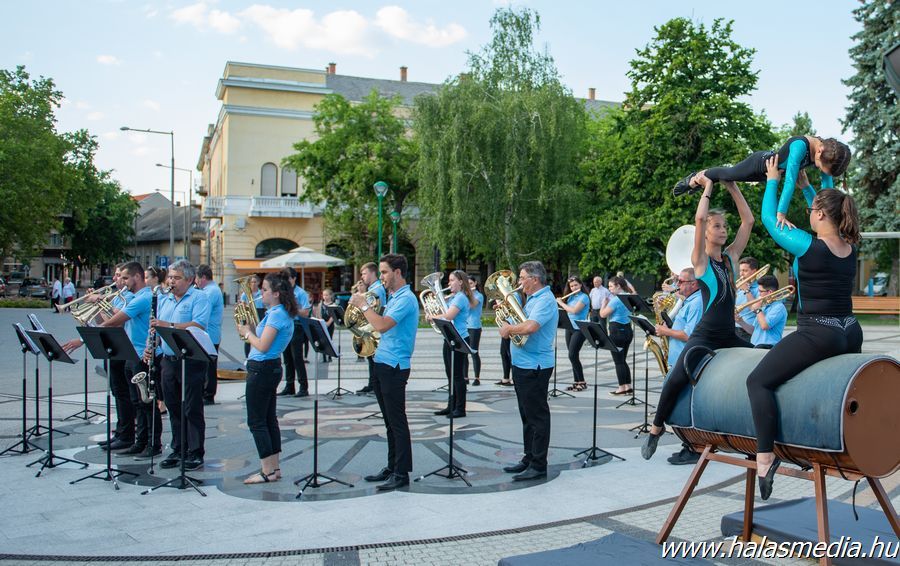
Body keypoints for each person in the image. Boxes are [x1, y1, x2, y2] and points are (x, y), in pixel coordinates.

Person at [747, 158, 863, 500]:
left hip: (819, 334)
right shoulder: (848, 247)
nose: (808, 211)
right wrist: (807, 189)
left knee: (758, 381)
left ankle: (765, 457)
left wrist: (771, 180)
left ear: (821, 215)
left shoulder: (809, 246)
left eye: (812, 208)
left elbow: (770, 220)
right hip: (850, 331)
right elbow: (831, 209)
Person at [642, 174, 755, 461]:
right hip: (705, 334)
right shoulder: (701, 261)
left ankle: (755, 436)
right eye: (717, 226)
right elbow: (700, 219)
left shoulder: (730, 257)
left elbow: (749, 221)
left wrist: (732, 185)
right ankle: (656, 429)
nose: (723, 230)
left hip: (728, 334)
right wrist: (707, 187)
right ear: (705, 233)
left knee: (760, 363)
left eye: (724, 226)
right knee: (676, 377)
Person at [674, 136, 852, 228]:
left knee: (727, 177)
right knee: (729, 174)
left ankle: (699, 182)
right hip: (760, 164)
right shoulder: (800, 146)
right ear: (819, 151)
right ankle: (695, 178)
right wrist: (781, 215)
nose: (820, 170)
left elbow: (827, 193)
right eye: (820, 167)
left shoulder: (828, 155)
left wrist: (830, 219)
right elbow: (789, 183)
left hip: (772, 173)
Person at [350, 254, 418, 492]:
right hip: (382, 361)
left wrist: (364, 305)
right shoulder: (393, 296)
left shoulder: (406, 299)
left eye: (385, 272)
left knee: (397, 421)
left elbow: (381, 325)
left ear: (398, 273)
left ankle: (402, 472)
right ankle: (392, 466)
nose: (382, 277)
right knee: (389, 421)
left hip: (395, 366)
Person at [499, 261, 558, 482]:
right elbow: (522, 322)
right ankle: (529, 457)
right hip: (523, 364)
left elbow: (531, 327)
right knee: (527, 415)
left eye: (522, 277)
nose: (519, 282)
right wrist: (506, 316)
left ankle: (539, 465)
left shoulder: (545, 300)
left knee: (537, 417)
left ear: (534, 279)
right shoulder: (532, 299)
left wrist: (508, 328)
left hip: (535, 366)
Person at [237, 273, 298, 484]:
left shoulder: (277, 315)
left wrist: (246, 333)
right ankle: (274, 468)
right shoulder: (277, 312)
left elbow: (262, 345)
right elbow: (262, 337)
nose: (260, 293)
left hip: (261, 368)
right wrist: (248, 324)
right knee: (269, 419)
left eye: (263, 290)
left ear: (276, 293)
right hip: (268, 367)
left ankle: (267, 471)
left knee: (257, 421)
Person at [154, 260, 211, 471]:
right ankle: (178, 448)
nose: (171, 281)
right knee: (173, 407)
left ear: (188, 279)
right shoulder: (165, 298)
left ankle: (195, 452)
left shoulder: (199, 297)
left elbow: (198, 325)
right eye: (170, 277)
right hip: (169, 359)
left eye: (176, 278)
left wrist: (168, 325)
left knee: (192, 407)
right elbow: (158, 327)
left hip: (191, 360)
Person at [653, 268, 703, 466]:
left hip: (686, 360)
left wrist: (666, 330)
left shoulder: (697, 302)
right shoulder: (688, 300)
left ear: (694, 283)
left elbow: (690, 335)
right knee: (678, 403)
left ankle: (694, 446)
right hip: (677, 357)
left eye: (681, 281)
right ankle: (688, 445)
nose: (678, 285)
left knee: (683, 404)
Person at [428, 270, 474, 418]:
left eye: (452, 280)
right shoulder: (454, 297)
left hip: (459, 338)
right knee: (450, 375)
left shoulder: (460, 298)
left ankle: (460, 408)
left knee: (457, 375)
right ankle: (451, 405)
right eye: (448, 281)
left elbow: (448, 316)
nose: (448, 284)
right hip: (449, 338)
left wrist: (432, 316)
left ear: (460, 282)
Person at [277, 267, 311, 397]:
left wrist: (293, 307)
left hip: (297, 326)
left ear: (294, 279)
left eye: (288, 279)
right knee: (287, 358)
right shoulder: (283, 292)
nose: (286, 281)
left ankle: (303, 387)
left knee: (297, 358)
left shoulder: (300, 293)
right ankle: (289, 385)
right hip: (285, 325)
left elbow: (306, 313)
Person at [599, 276, 635, 395]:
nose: (609, 289)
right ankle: (628, 386)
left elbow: (603, 314)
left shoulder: (616, 299)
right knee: (623, 360)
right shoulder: (628, 297)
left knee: (618, 361)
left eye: (611, 286)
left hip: (616, 331)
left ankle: (621, 387)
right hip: (627, 330)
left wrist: (604, 304)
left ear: (618, 286)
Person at [356, 262, 388, 393]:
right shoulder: (373, 289)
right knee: (371, 359)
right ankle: (372, 385)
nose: (362, 277)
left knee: (373, 360)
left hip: (374, 329)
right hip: (372, 328)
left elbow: (374, 310)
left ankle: (375, 386)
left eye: (364, 273)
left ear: (372, 273)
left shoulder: (376, 290)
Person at [196, 264, 224, 405]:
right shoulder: (209, 290)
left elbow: (202, 311)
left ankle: (208, 395)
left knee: (209, 367)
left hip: (210, 335)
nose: (196, 281)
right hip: (209, 334)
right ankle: (206, 393)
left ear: (203, 278)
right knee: (206, 366)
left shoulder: (210, 291)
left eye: (197, 278)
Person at [557, 276, 590, 391]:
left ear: (580, 285)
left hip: (580, 329)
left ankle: (582, 381)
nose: (573, 287)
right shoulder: (571, 297)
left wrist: (561, 303)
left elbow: (574, 311)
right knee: (573, 356)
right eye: (571, 286)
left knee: (572, 355)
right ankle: (577, 382)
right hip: (569, 328)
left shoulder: (584, 297)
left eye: (576, 285)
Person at [735, 275, 788, 347]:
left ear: (769, 292)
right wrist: (741, 322)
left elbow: (764, 326)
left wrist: (758, 310)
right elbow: (754, 331)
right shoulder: (763, 306)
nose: (759, 294)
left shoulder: (779, 307)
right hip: (756, 346)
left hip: (768, 347)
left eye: (760, 291)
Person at [734, 257, 761, 342]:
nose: (741, 274)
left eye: (745, 271)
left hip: (747, 331)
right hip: (733, 328)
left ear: (754, 271)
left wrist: (746, 290)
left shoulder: (759, 289)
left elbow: (754, 309)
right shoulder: (737, 287)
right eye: (740, 270)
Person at [464, 278, 484, 386]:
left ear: (475, 283)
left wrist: (467, 294)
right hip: (464, 326)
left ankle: (477, 378)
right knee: (464, 352)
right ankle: (465, 377)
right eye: (467, 284)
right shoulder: (464, 295)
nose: (469, 285)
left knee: (474, 352)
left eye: (471, 283)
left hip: (474, 326)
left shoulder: (478, 295)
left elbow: (471, 306)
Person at [239, 275, 264, 358]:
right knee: (248, 338)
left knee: (259, 336)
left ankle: (257, 355)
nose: (253, 284)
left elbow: (265, 306)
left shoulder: (262, 294)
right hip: (249, 316)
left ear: (258, 283)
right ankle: (247, 357)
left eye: (254, 282)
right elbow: (242, 306)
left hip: (259, 314)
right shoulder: (245, 294)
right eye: (251, 282)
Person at [314, 288, 336, 362]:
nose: (325, 297)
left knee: (329, 340)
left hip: (330, 325)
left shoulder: (333, 304)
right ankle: (324, 356)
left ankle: (330, 355)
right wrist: (322, 322)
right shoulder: (320, 304)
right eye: (324, 295)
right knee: (323, 340)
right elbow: (318, 314)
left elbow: (333, 315)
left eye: (327, 295)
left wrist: (328, 323)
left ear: (330, 296)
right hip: (322, 324)